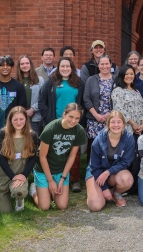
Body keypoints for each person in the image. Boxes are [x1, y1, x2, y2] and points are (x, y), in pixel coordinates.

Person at [37, 56, 84, 191]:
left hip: (73, 123)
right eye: (62, 66)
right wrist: (48, 119)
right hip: (56, 122)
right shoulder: (51, 81)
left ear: (72, 68)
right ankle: (50, 178)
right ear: (58, 68)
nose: (65, 69)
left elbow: (82, 102)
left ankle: (74, 180)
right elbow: (41, 100)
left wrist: (78, 120)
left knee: (74, 152)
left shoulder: (79, 82)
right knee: (54, 151)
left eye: (67, 66)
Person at [31, 103, 86, 211]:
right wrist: (51, 181)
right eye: (71, 116)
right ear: (64, 114)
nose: (73, 121)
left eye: (77, 118)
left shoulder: (79, 131)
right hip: (43, 169)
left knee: (62, 206)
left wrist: (62, 179)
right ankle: (33, 190)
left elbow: (71, 157)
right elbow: (42, 157)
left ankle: (49, 191)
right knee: (44, 207)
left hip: (60, 170)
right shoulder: (51, 128)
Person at [85, 111, 135, 210]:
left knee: (127, 179)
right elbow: (94, 166)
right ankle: (97, 191)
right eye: (112, 122)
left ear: (124, 124)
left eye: (119, 122)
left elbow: (125, 162)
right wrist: (104, 188)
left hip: (112, 173)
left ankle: (116, 193)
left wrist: (108, 172)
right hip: (96, 172)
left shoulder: (129, 139)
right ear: (108, 124)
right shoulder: (99, 140)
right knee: (95, 206)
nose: (116, 125)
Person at [0, 106, 39, 212]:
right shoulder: (3, 133)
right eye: (15, 119)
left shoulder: (32, 135)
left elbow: (33, 158)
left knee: (19, 191)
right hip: (4, 173)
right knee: (4, 211)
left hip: (21, 172)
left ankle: (19, 199)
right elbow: (0, 158)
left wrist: (24, 175)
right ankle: (1, 193)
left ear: (26, 120)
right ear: (10, 120)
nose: (19, 122)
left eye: (21, 119)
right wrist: (13, 176)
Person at [82, 55, 114, 155]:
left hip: (112, 120)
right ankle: (91, 170)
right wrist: (96, 115)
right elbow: (86, 98)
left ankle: (109, 170)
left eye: (107, 64)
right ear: (98, 65)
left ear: (110, 65)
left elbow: (120, 100)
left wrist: (110, 114)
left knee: (110, 147)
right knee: (93, 148)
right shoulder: (91, 80)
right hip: (94, 120)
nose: (105, 66)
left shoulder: (117, 80)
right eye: (102, 64)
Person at [17, 54, 45, 134]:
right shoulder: (15, 81)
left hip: (35, 118)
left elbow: (42, 98)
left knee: (34, 142)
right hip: (19, 117)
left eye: (27, 63)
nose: (25, 65)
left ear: (30, 64)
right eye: (22, 64)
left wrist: (32, 109)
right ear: (19, 66)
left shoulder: (39, 80)